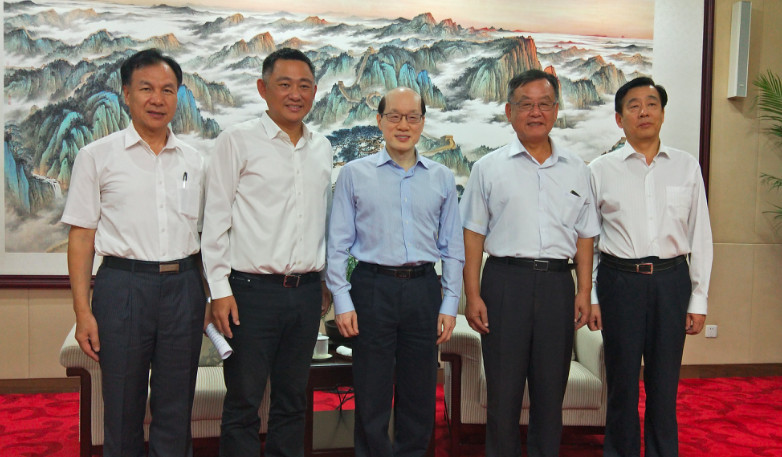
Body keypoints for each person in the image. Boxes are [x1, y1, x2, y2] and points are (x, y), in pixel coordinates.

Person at [62, 48, 206, 457]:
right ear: (126, 94)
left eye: (167, 90)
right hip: (122, 287)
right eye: (146, 89)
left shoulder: (195, 161)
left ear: (178, 96)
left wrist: (211, 295)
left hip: (184, 286)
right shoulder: (97, 157)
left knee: (177, 406)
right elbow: (81, 238)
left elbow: (208, 235)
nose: (157, 99)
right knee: (122, 406)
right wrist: (82, 311)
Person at [200, 48, 333, 457]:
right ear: (263, 88)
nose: (295, 94)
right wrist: (219, 290)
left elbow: (322, 221)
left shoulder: (322, 147)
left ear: (314, 92)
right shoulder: (236, 141)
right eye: (284, 84)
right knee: (243, 402)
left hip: (305, 293)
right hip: (249, 294)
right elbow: (214, 221)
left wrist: (324, 281)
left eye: (304, 86)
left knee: (293, 401)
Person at [459, 69, 599, 457]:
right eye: (525, 104)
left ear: (556, 109)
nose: (535, 112)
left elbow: (586, 236)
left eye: (544, 104)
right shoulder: (488, 168)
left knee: (550, 394)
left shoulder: (577, 168)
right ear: (509, 111)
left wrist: (585, 291)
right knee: (503, 395)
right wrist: (473, 295)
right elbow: (472, 236)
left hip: (558, 285)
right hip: (505, 283)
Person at [326, 86, 464, 457]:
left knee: (419, 393)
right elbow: (337, 244)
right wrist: (342, 300)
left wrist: (450, 303)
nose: (403, 125)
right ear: (379, 120)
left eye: (412, 117)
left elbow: (452, 246)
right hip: (371, 288)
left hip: (423, 289)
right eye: (394, 116)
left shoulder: (441, 177)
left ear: (423, 122)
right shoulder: (354, 174)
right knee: (371, 392)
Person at [588, 77, 713, 457]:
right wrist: (591, 296)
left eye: (652, 104)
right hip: (619, 282)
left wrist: (699, 299)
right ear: (619, 118)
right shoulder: (600, 170)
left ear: (662, 113)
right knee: (622, 384)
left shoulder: (686, 167)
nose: (644, 112)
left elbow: (701, 235)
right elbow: (588, 242)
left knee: (664, 385)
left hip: (671, 282)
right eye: (634, 105)